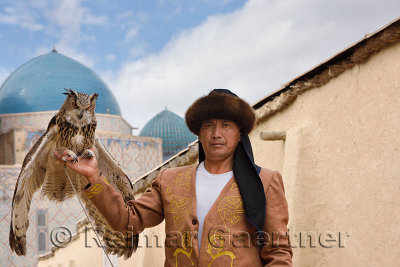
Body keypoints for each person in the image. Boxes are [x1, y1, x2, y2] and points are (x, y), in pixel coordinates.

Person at [55, 89, 293, 266]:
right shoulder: (170, 180)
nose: (216, 133)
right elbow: (128, 220)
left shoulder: (265, 181)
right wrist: (95, 177)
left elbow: (278, 254)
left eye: (226, 125)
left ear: (240, 134)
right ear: (199, 134)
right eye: (209, 125)